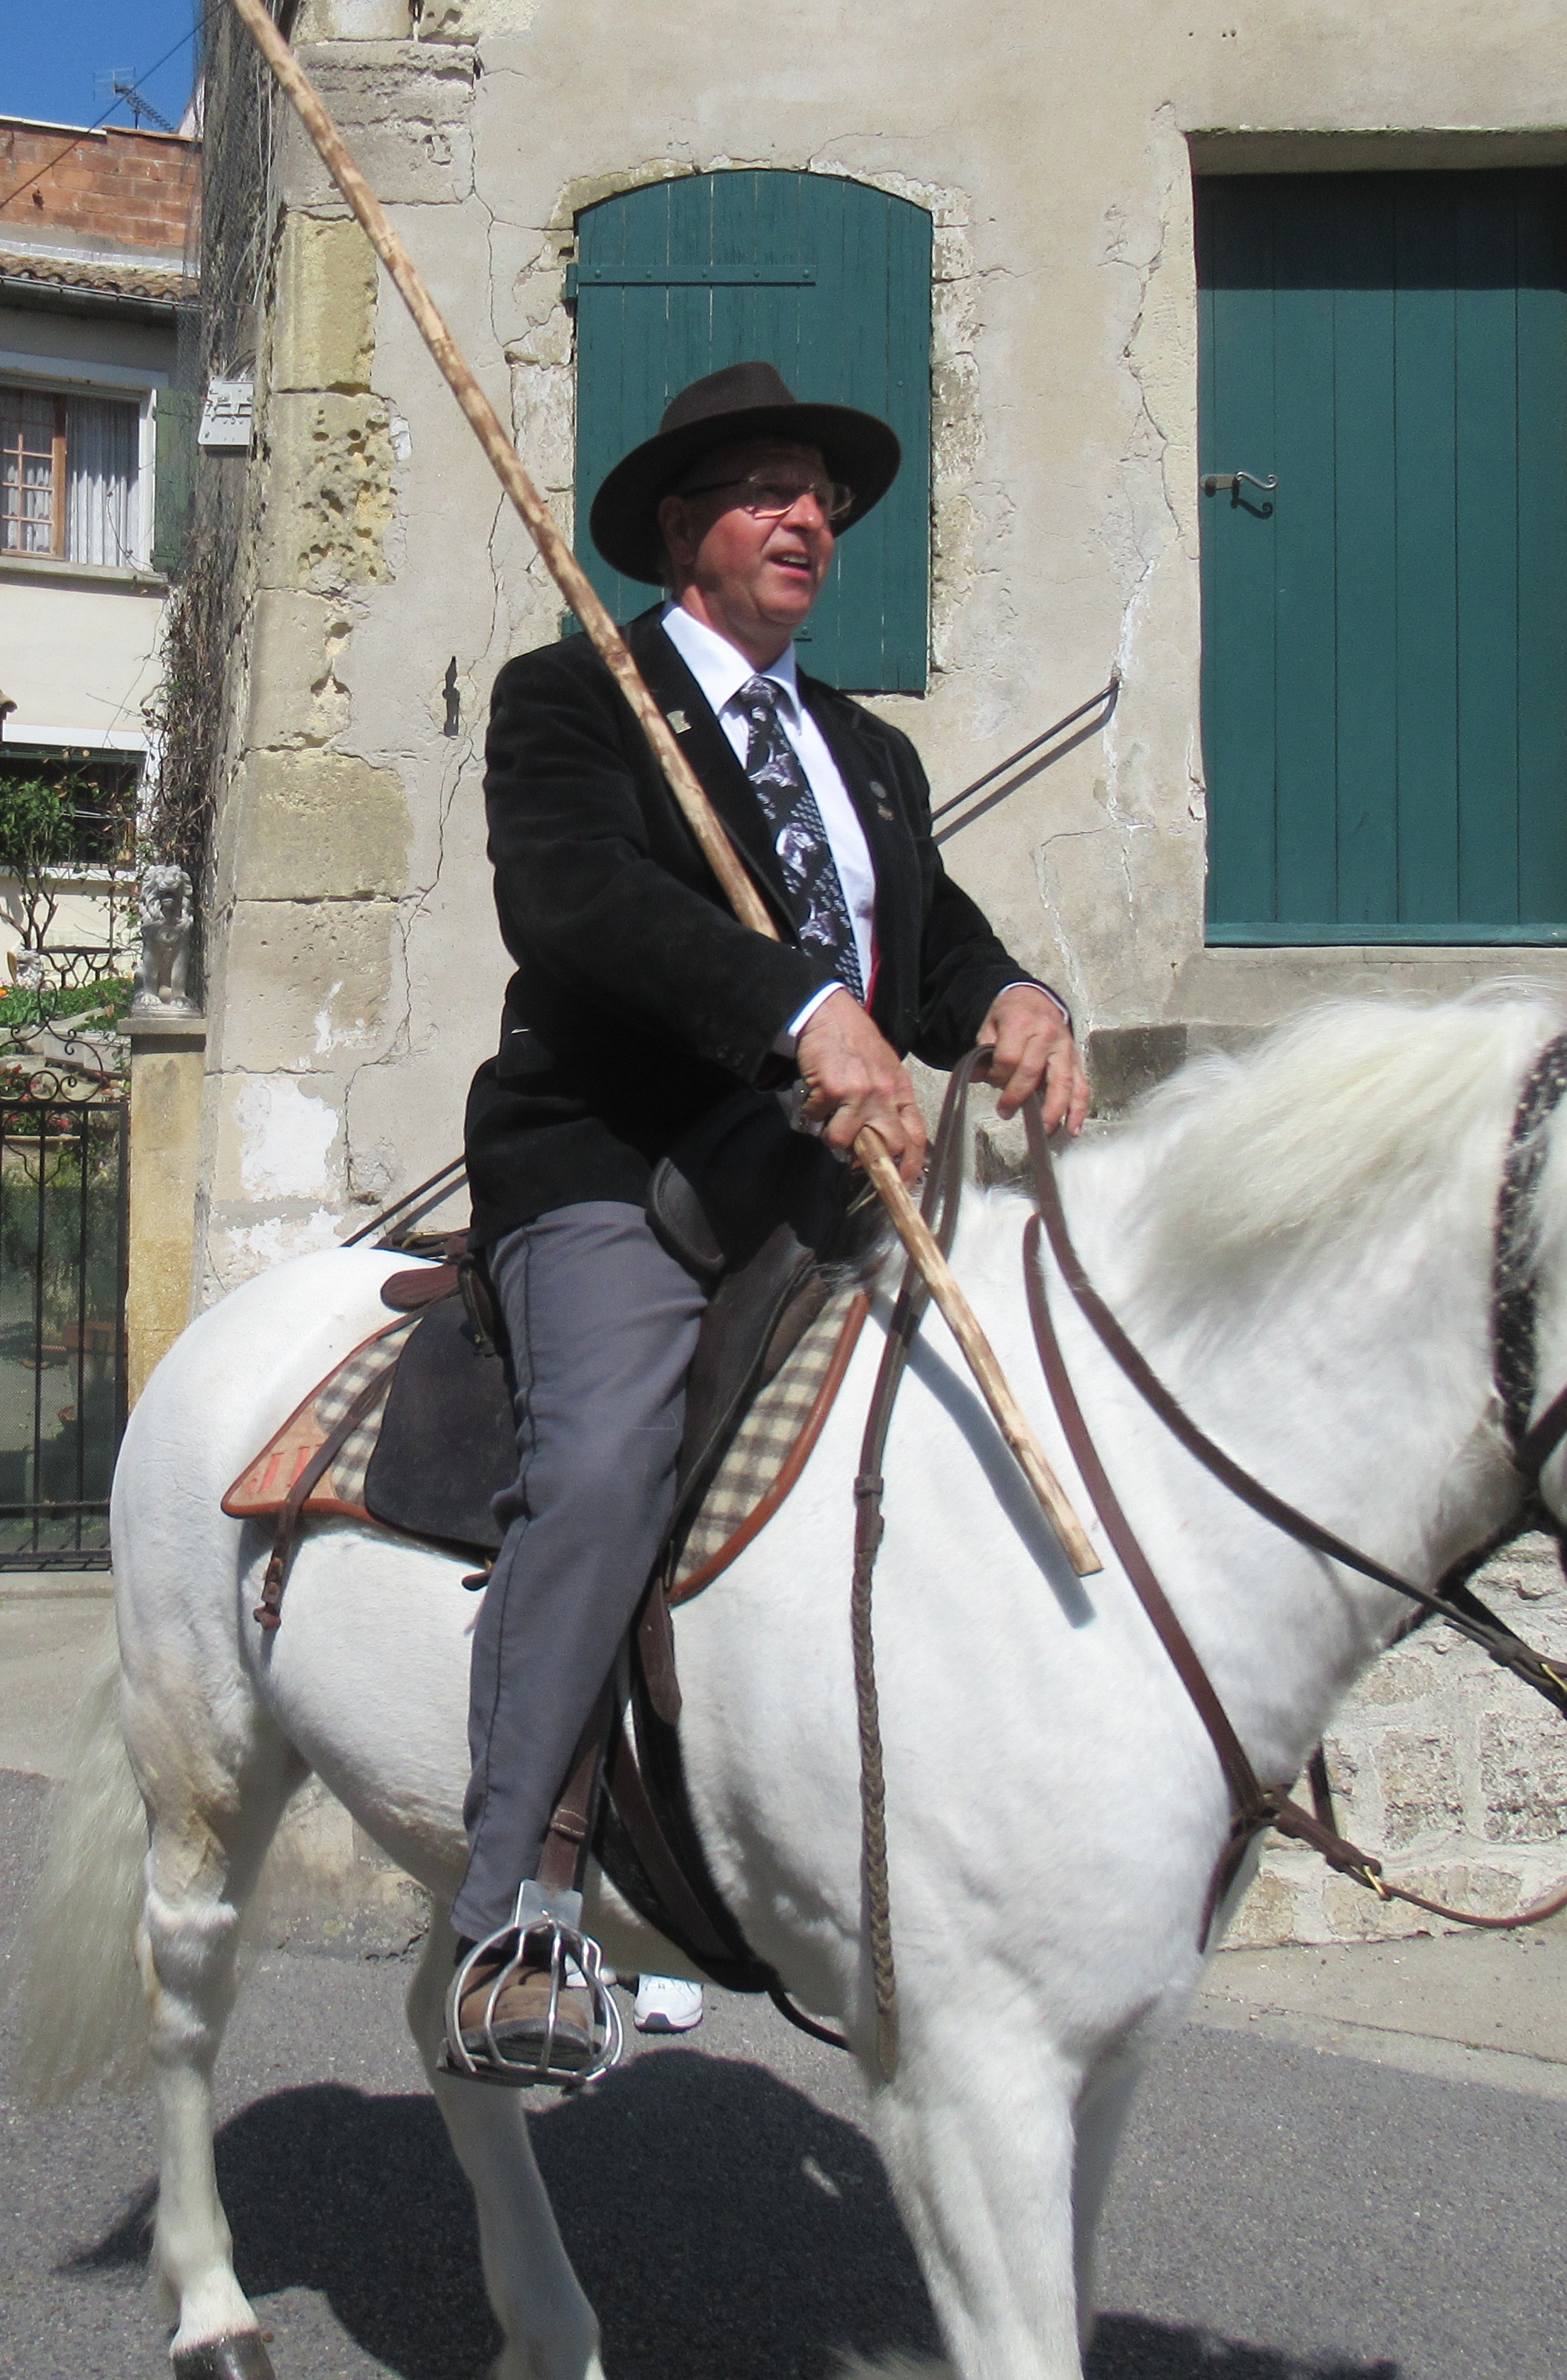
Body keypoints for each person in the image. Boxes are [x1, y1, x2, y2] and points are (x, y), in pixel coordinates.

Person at [451, 360, 1091, 2077]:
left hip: (826, 1172)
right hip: (620, 1155)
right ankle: (515, 1904)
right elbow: (574, 900)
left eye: (822, 495)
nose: (807, 517)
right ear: (683, 531)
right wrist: (795, 1007)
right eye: (766, 491)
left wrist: (1010, 996)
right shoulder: (576, 698)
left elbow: (928, 943)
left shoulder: (864, 752)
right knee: (603, 1464)